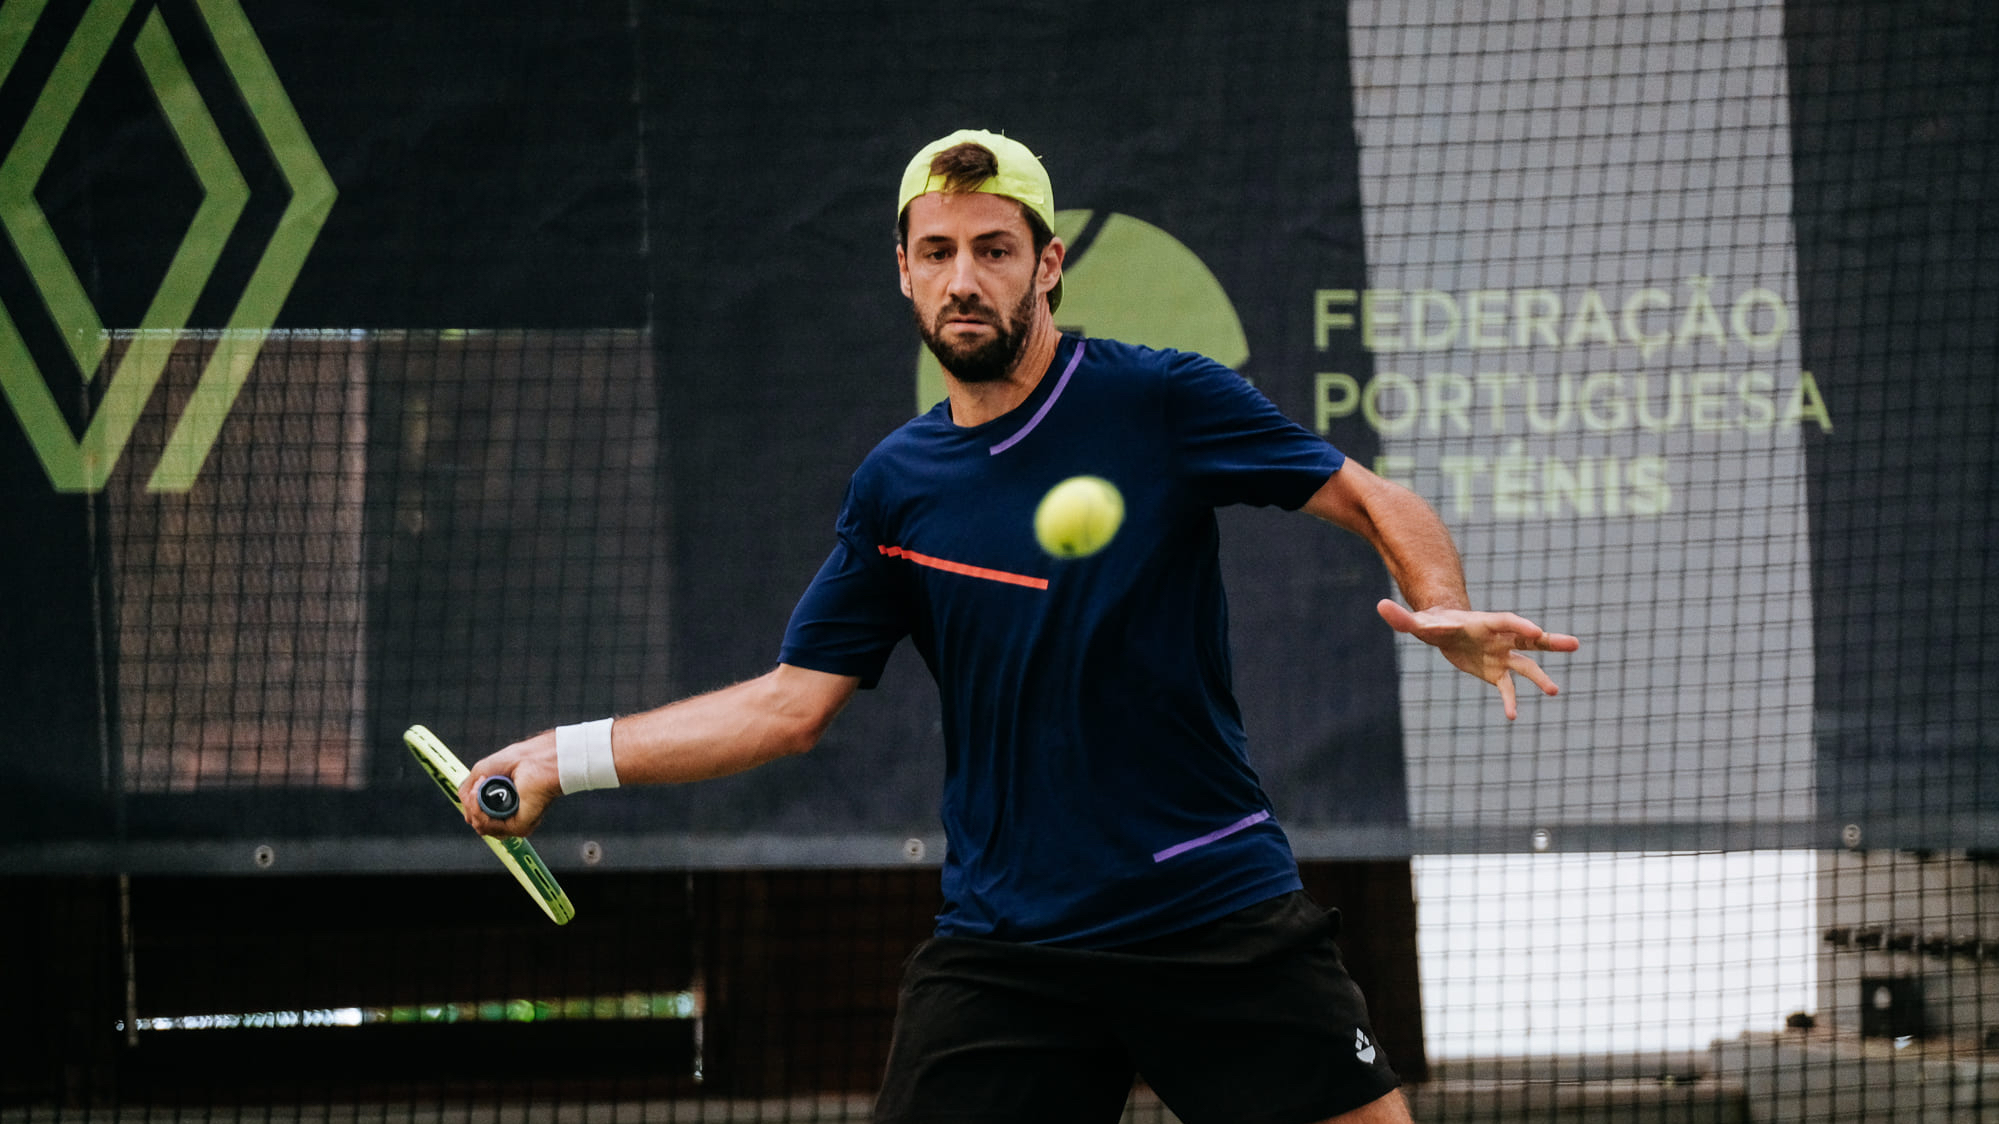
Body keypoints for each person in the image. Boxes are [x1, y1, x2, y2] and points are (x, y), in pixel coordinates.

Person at [462, 128, 1578, 1124]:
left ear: (1048, 264)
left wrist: (1437, 605)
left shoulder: (1161, 400)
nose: (964, 278)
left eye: (994, 249)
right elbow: (787, 705)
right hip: (1009, 947)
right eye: (937, 250)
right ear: (902, 272)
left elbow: (1376, 499)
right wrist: (564, 756)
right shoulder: (896, 487)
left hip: (1209, 907)